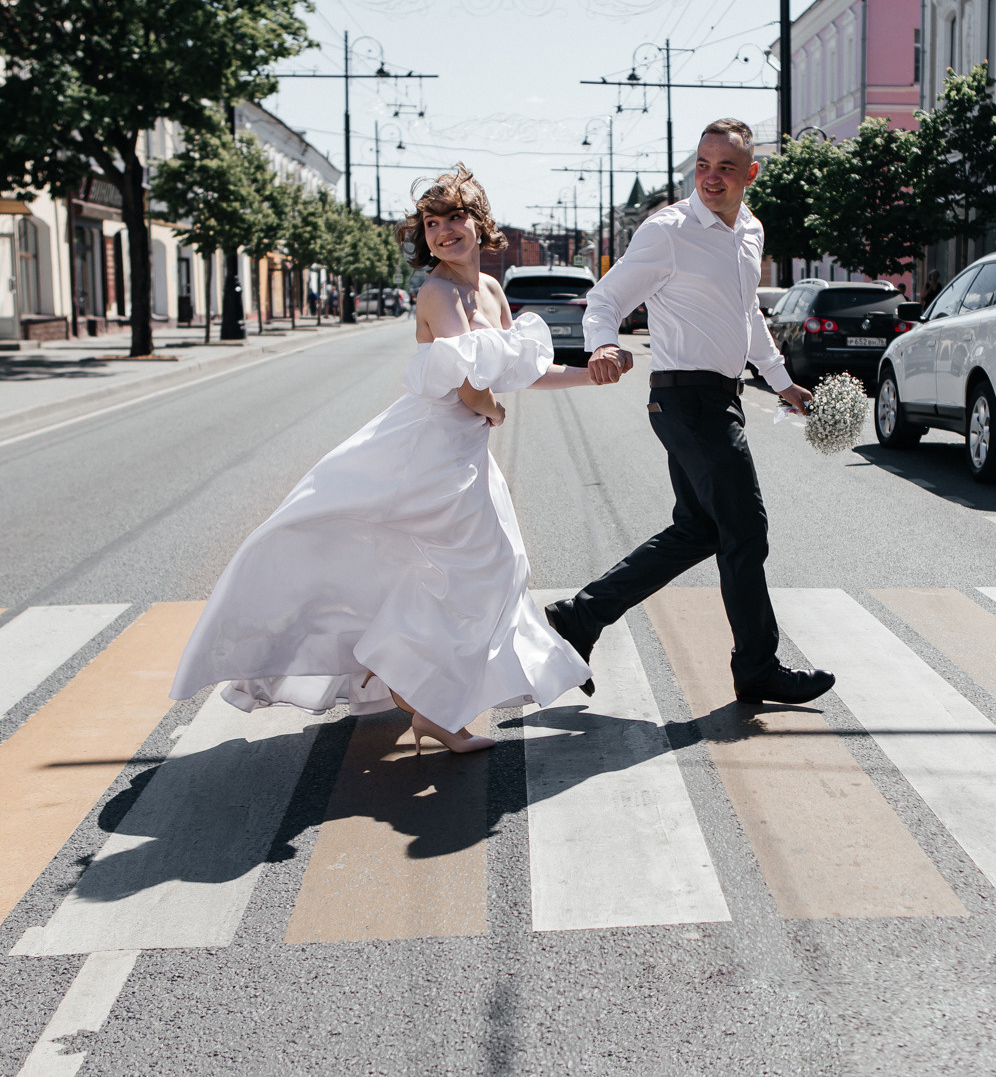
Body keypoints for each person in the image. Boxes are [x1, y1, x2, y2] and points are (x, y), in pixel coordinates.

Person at [172, 164, 603, 754]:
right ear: (423, 235)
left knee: (461, 569)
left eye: (456, 217)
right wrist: (494, 412)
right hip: (429, 450)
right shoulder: (438, 291)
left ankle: (410, 685)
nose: (445, 230)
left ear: (481, 223)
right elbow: (471, 384)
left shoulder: (492, 291)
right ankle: (423, 700)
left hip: (459, 454)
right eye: (432, 222)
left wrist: (591, 375)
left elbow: (525, 370)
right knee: (474, 569)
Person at [544, 119, 835, 707]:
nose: (710, 178)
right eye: (702, 165)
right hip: (685, 398)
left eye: (725, 167)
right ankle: (757, 665)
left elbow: (746, 314)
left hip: (719, 396)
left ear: (750, 173)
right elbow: (604, 299)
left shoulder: (749, 230)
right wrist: (602, 342)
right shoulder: (668, 230)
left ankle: (580, 616)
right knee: (745, 528)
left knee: (700, 530)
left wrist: (783, 382)